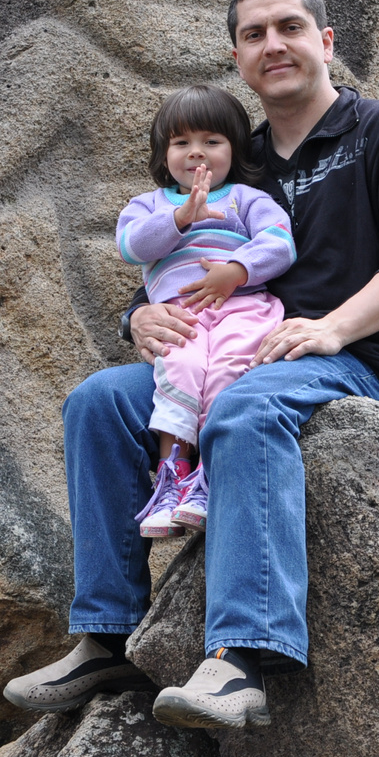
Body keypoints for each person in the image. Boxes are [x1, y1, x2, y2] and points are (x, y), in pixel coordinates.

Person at [3, 0, 379, 729]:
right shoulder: (234, 157)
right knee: (97, 402)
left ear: (324, 40)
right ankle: (106, 634)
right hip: (231, 349)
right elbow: (184, 260)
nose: (273, 44)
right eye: (254, 34)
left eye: (289, 27)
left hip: (352, 362)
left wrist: (333, 328)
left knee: (248, 408)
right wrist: (138, 320)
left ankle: (241, 657)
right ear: (237, 57)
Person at [116, 84, 295, 538]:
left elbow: (279, 243)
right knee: (180, 369)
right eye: (181, 143)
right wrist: (181, 218)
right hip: (180, 316)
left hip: (242, 307)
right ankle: (173, 474)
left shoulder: (245, 199)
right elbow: (130, 246)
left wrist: (235, 270)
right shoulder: (150, 205)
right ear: (163, 153)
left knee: (230, 372)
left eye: (212, 142)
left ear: (234, 149)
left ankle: (210, 476)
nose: (197, 153)